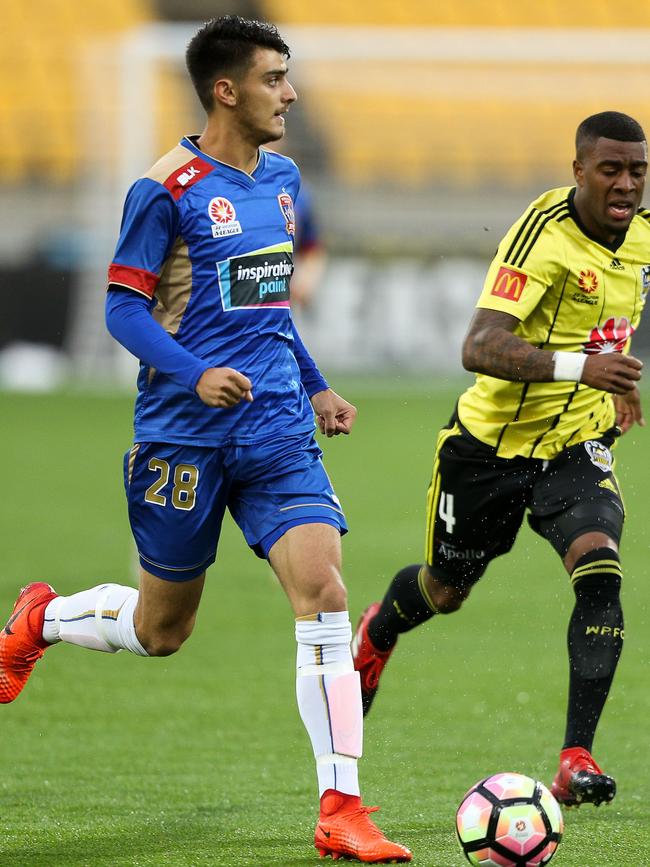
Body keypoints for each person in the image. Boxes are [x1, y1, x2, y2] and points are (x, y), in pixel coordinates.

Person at [0, 16, 411, 864]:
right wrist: (192, 373)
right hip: (184, 437)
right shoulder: (167, 187)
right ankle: (44, 617)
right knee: (162, 630)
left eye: (288, 78)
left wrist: (315, 382)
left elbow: (270, 307)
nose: (290, 93)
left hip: (276, 433)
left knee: (326, 594)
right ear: (226, 90)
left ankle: (342, 806)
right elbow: (121, 307)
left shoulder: (287, 180)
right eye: (274, 79)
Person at [352, 110, 648, 809]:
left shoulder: (641, 229)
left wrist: (618, 389)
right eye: (610, 169)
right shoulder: (541, 239)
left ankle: (576, 755)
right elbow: (479, 346)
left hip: (573, 441)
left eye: (638, 170)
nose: (626, 183)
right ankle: (379, 631)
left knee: (600, 571)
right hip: (488, 447)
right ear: (577, 169)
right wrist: (586, 365)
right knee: (446, 589)